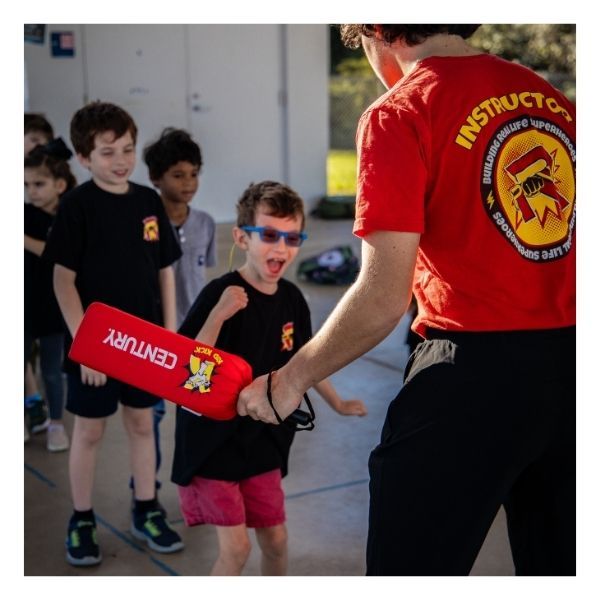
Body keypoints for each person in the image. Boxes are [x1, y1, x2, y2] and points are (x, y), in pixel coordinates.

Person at [237, 25, 576, 576]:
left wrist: (287, 382)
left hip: (471, 378)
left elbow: (382, 297)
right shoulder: (554, 102)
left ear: (376, 29)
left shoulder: (401, 109)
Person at [171, 180, 367, 576]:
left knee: (276, 542)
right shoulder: (220, 293)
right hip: (214, 444)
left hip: (263, 441)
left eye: (292, 237)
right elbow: (187, 369)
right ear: (242, 237)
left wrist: (338, 402)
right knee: (237, 549)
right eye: (270, 235)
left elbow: (304, 360)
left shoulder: (293, 298)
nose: (281, 248)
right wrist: (217, 316)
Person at [43, 101, 184, 566]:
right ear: (84, 158)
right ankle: (81, 518)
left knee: (144, 424)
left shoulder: (147, 201)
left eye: (126, 149)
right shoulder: (77, 207)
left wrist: (168, 334)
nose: (120, 160)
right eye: (107, 152)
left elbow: (165, 269)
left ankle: (146, 506)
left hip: (145, 343)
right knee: (89, 433)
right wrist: (87, 348)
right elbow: (63, 280)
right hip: (95, 348)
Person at [140, 128, 217, 492]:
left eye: (194, 174)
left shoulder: (204, 224)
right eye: (178, 175)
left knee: (196, 410)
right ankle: (146, 483)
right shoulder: (146, 226)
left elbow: (206, 274)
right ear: (156, 178)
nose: (188, 183)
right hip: (157, 334)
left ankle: (199, 479)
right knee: (152, 414)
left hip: (199, 335)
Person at [24, 139, 76, 451]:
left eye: (39, 184)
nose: (32, 191)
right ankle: (27, 418)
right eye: (27, 184)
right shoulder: (22, 213)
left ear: (59, 184)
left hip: (53, 307)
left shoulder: (67, 217)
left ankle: (57, 423)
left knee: (53, 372)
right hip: (23, 303)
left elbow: (56, 253)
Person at [24, 112, 56, 439]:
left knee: (42, 354)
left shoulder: (51, 187)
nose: (39, 147)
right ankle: (31, 402)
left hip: (40, 286)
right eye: (33, 140)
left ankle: (38, 405)